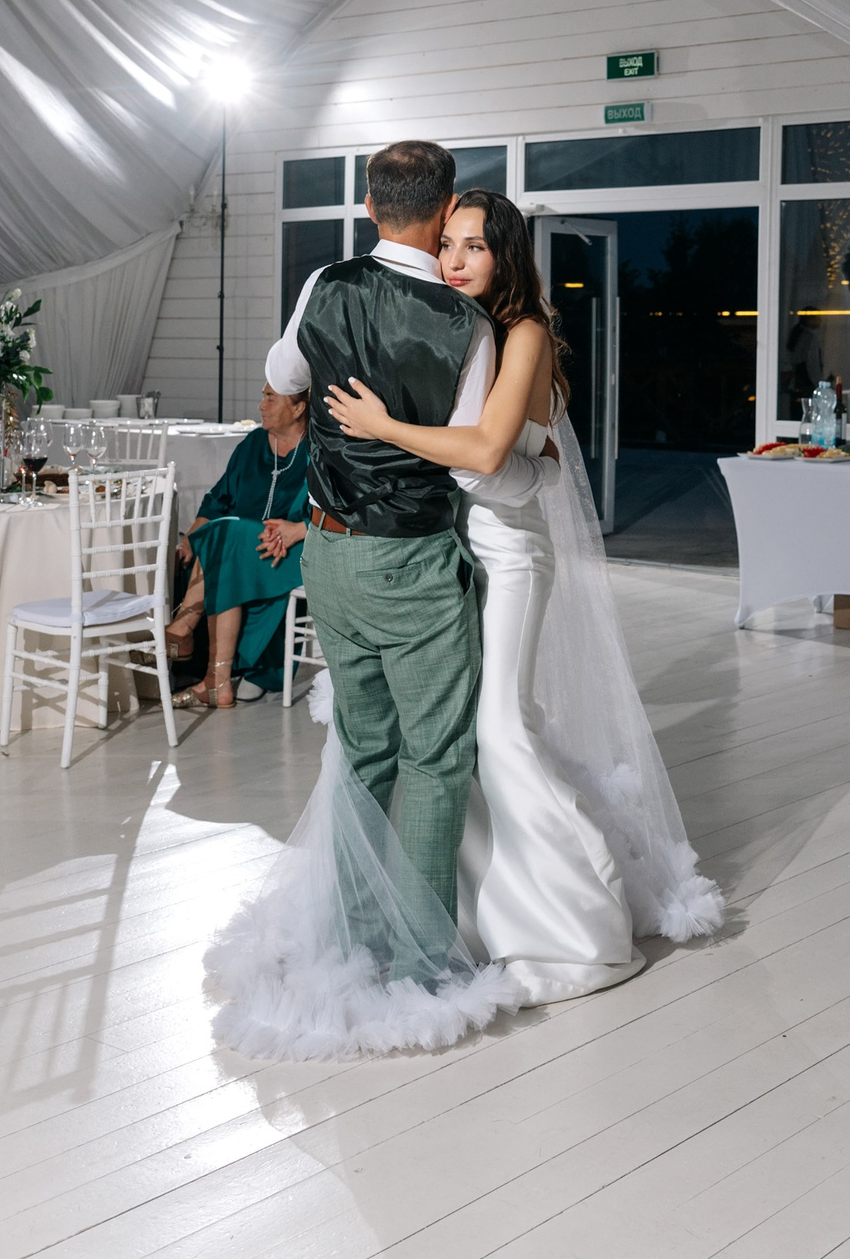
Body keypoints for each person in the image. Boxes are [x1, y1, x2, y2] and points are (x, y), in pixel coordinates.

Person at [206, 170, 724, 1060]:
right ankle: (466, 919)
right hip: (452, 551)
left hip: (507, 553)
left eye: (474, 245)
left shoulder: (517, 332)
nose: (454, 260)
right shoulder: (455, 328)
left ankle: (577, 910)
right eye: (449, 243)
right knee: (451, 748)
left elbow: (492, 460)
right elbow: (480, 457)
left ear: (504, 253)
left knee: (497, 733)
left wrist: (382, 427)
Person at [165, 384, 310, 708]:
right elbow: (219, 498)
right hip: (240, 550)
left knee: (225, 537)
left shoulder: (320, 448)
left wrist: (298, 530)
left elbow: (335, 510)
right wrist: (191, 536)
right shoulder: (254, 443)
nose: (261, 406)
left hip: (292, 550)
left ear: (299, 407)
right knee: (211, 543)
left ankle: (184, 629)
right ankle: (214, 679)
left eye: (270, 398)